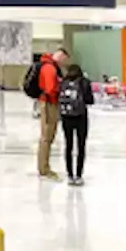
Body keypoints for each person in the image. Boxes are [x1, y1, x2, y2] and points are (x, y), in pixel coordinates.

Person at [35, 47, 69, 180]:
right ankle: (44, 169)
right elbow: (50, 89)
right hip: (49, 103)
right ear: (59, 55)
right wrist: (59, 88)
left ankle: (44, 167)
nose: (63, 62)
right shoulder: (50, 68)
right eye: (63, 59)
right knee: (47, 136)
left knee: (47, 136)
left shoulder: (49, 66)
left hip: (48, 102)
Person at [58, 64, 94, 186]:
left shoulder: (63, 82)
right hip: (81, 117)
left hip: (66, 117)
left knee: (68, 145)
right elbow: (90, 100)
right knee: (81, 146)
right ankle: (78, 175)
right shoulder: (84, 82)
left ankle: (69, 175)